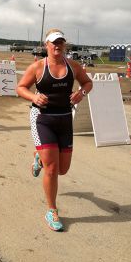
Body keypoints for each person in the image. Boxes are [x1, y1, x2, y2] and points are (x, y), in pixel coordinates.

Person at [16, 28, 93, 232]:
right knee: (51, 169)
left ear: (64, 45)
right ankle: (52, 210)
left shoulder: (73, 66)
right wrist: (33, 97)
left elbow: (87, 82)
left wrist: (81, 93)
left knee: (62, 169)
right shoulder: (38, 67)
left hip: (65, 119)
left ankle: (38, 156)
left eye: (60, 42)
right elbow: (20, 87)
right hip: (42, 119)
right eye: (53, 42)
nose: (57, 46)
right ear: (46, 45)